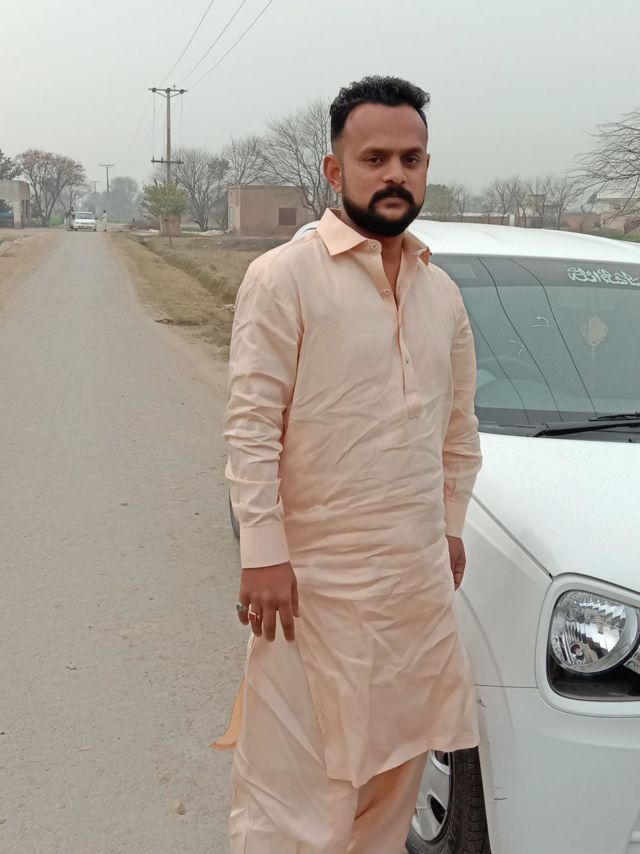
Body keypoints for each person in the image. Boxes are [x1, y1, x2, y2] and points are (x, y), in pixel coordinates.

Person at [216, 75, 483, 853]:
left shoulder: (442, 293)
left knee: (390, 790)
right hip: (312, 591)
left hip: (413, 594)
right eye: (375, 159)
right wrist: (262, 551)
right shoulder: (283, 277)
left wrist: (451, 527)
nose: (395, 174)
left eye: (411, 159)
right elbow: (252, 427)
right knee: (295, 807)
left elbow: (457, 428)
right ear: (336, 171)